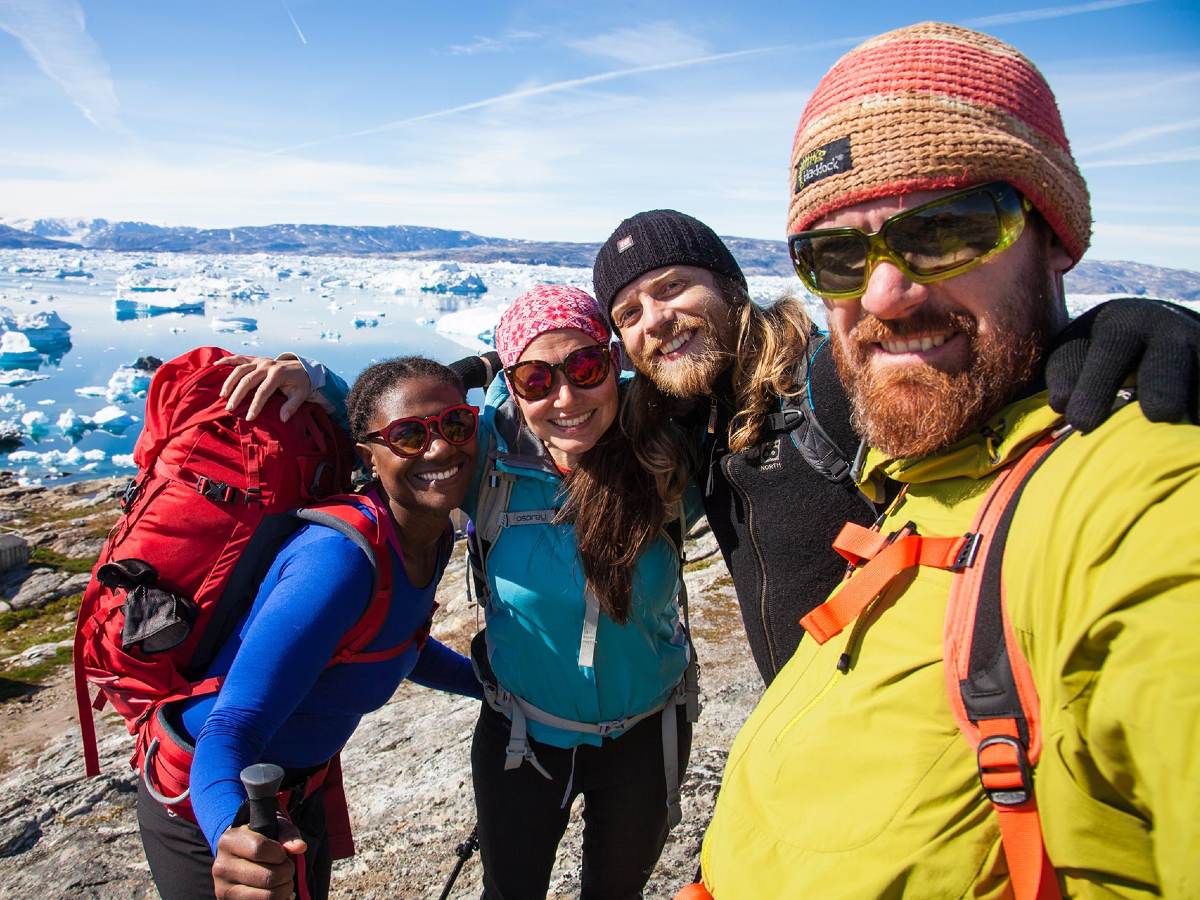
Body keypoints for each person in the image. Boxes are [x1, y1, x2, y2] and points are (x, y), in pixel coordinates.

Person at [689, 22, 1199, 897]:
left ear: (1056, 236)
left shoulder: (1136, 506)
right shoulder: (920, 466)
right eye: (838, 254)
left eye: (949, 230)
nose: (885, 291)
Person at [592, 216, 1200, 687]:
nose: (656, 319)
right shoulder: (692, 420)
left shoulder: (829, 383)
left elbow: (972, 369)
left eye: (672, 287)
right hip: (814, 723)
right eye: (629, 312)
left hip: (929, 737)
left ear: (731, 288)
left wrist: (1126, 327)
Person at [136, 356, 483, 900]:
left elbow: (394, 642)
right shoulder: (338, 561)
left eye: (457, 425)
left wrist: (495, 686)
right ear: (368, 456)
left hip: (297, 792)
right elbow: (231, 729)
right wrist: (235, 837)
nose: (440, 448)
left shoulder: (429, 532)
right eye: (409, 436)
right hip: (209, 801)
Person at [468, 284, 698, 899]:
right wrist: (313, 378)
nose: (566, 398)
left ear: (615, 363)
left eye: (586, 368)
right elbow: (388, 428)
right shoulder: (486, 461)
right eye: (537, 381)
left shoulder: (665, 455)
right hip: (523, 736)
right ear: (514, 389)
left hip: (644, 737)